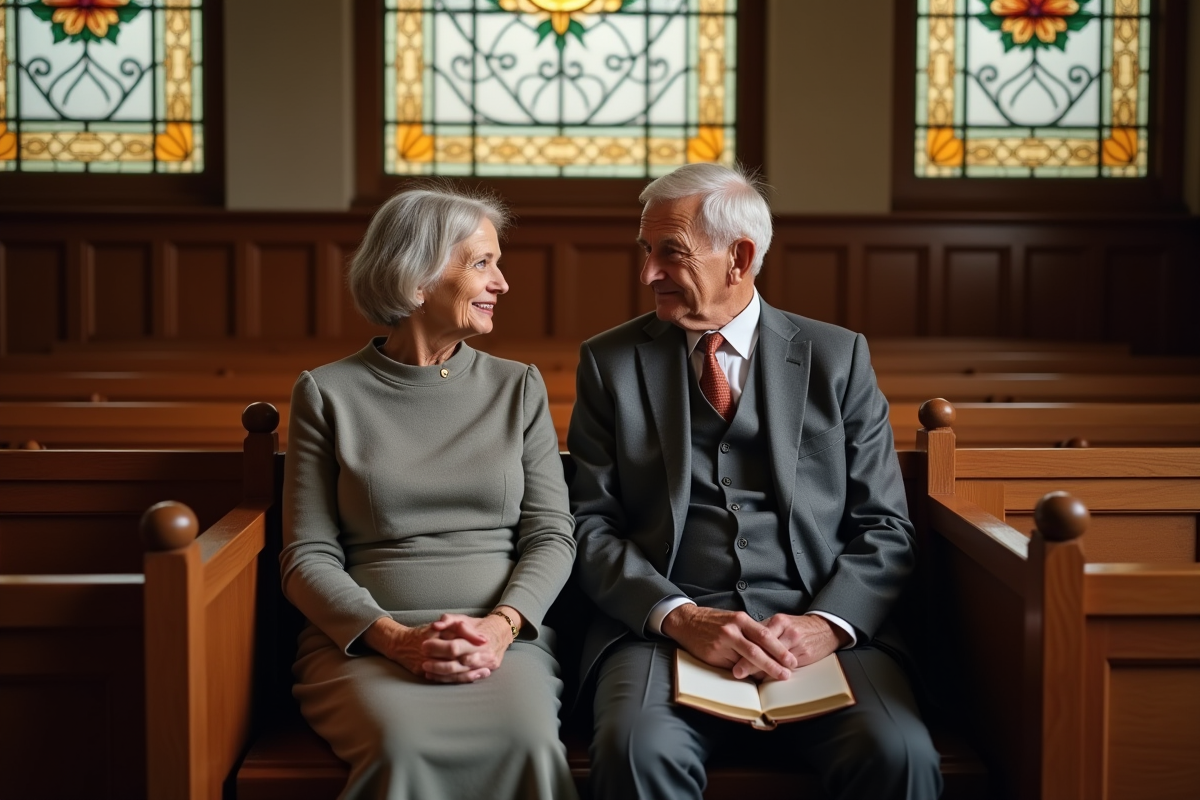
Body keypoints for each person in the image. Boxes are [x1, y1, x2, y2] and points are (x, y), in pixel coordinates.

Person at [567, 163, 941, 800]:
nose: (648, 273)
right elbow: (589, 524)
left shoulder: (837, 357)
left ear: (739, 257)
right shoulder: (610, 362)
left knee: (899, 755)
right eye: (646, 250)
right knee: (636, 754)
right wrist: (680, 617)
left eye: (669, 253)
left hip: (823, 631)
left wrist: (827, 624)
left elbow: (886, 524)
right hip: (662, 631)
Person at [280, 183, 579, 800]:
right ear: (415, 278)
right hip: (365, 644)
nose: (502, 283)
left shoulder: (516, 388)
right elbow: (306, 556)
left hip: (503, 643)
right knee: (401, 746)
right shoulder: (327, 393)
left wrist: (500, 627)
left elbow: (552, 534)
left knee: (528, 742)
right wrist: (396, 639)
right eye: (482, 264)